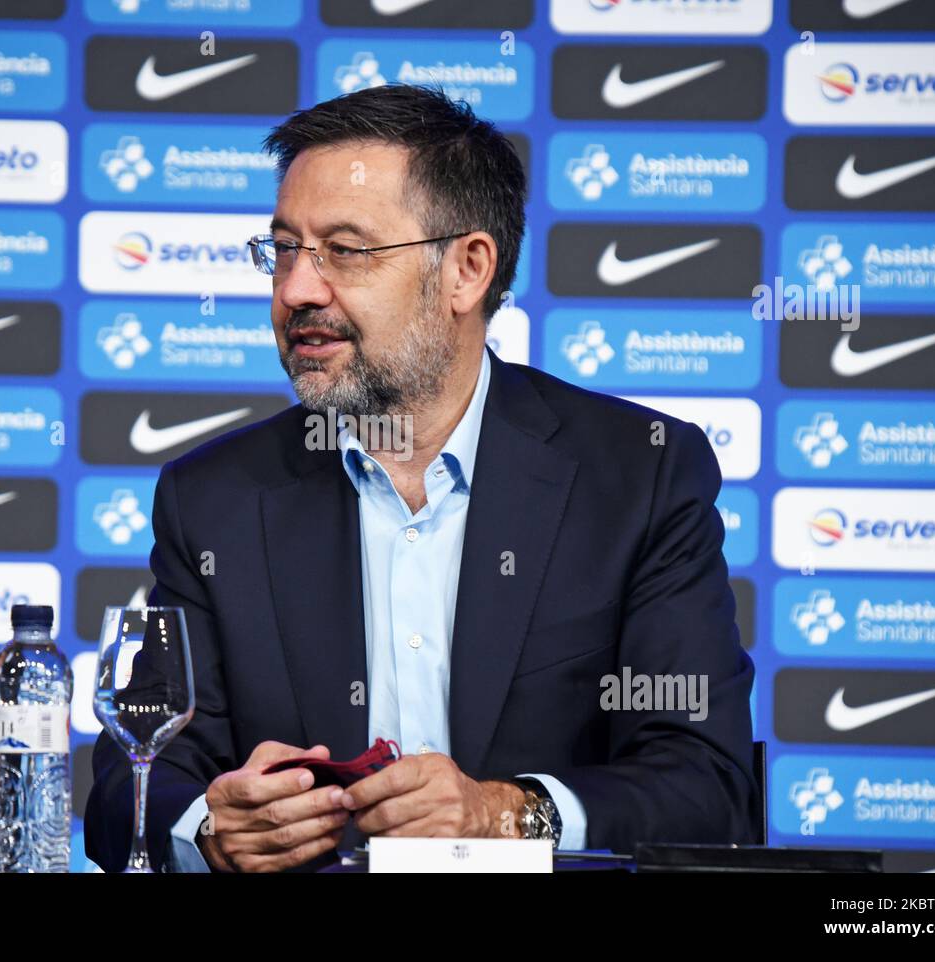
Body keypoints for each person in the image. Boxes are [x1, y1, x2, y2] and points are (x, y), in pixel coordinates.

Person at [86, 83, 759, 873]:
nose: (297, 289)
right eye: (284, 250)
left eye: (345, 250)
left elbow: (705, 784)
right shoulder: (216, 500)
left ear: (467, 271)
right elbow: (130, 781)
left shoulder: (639, 476)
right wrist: (210, 827)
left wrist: (507, 812)